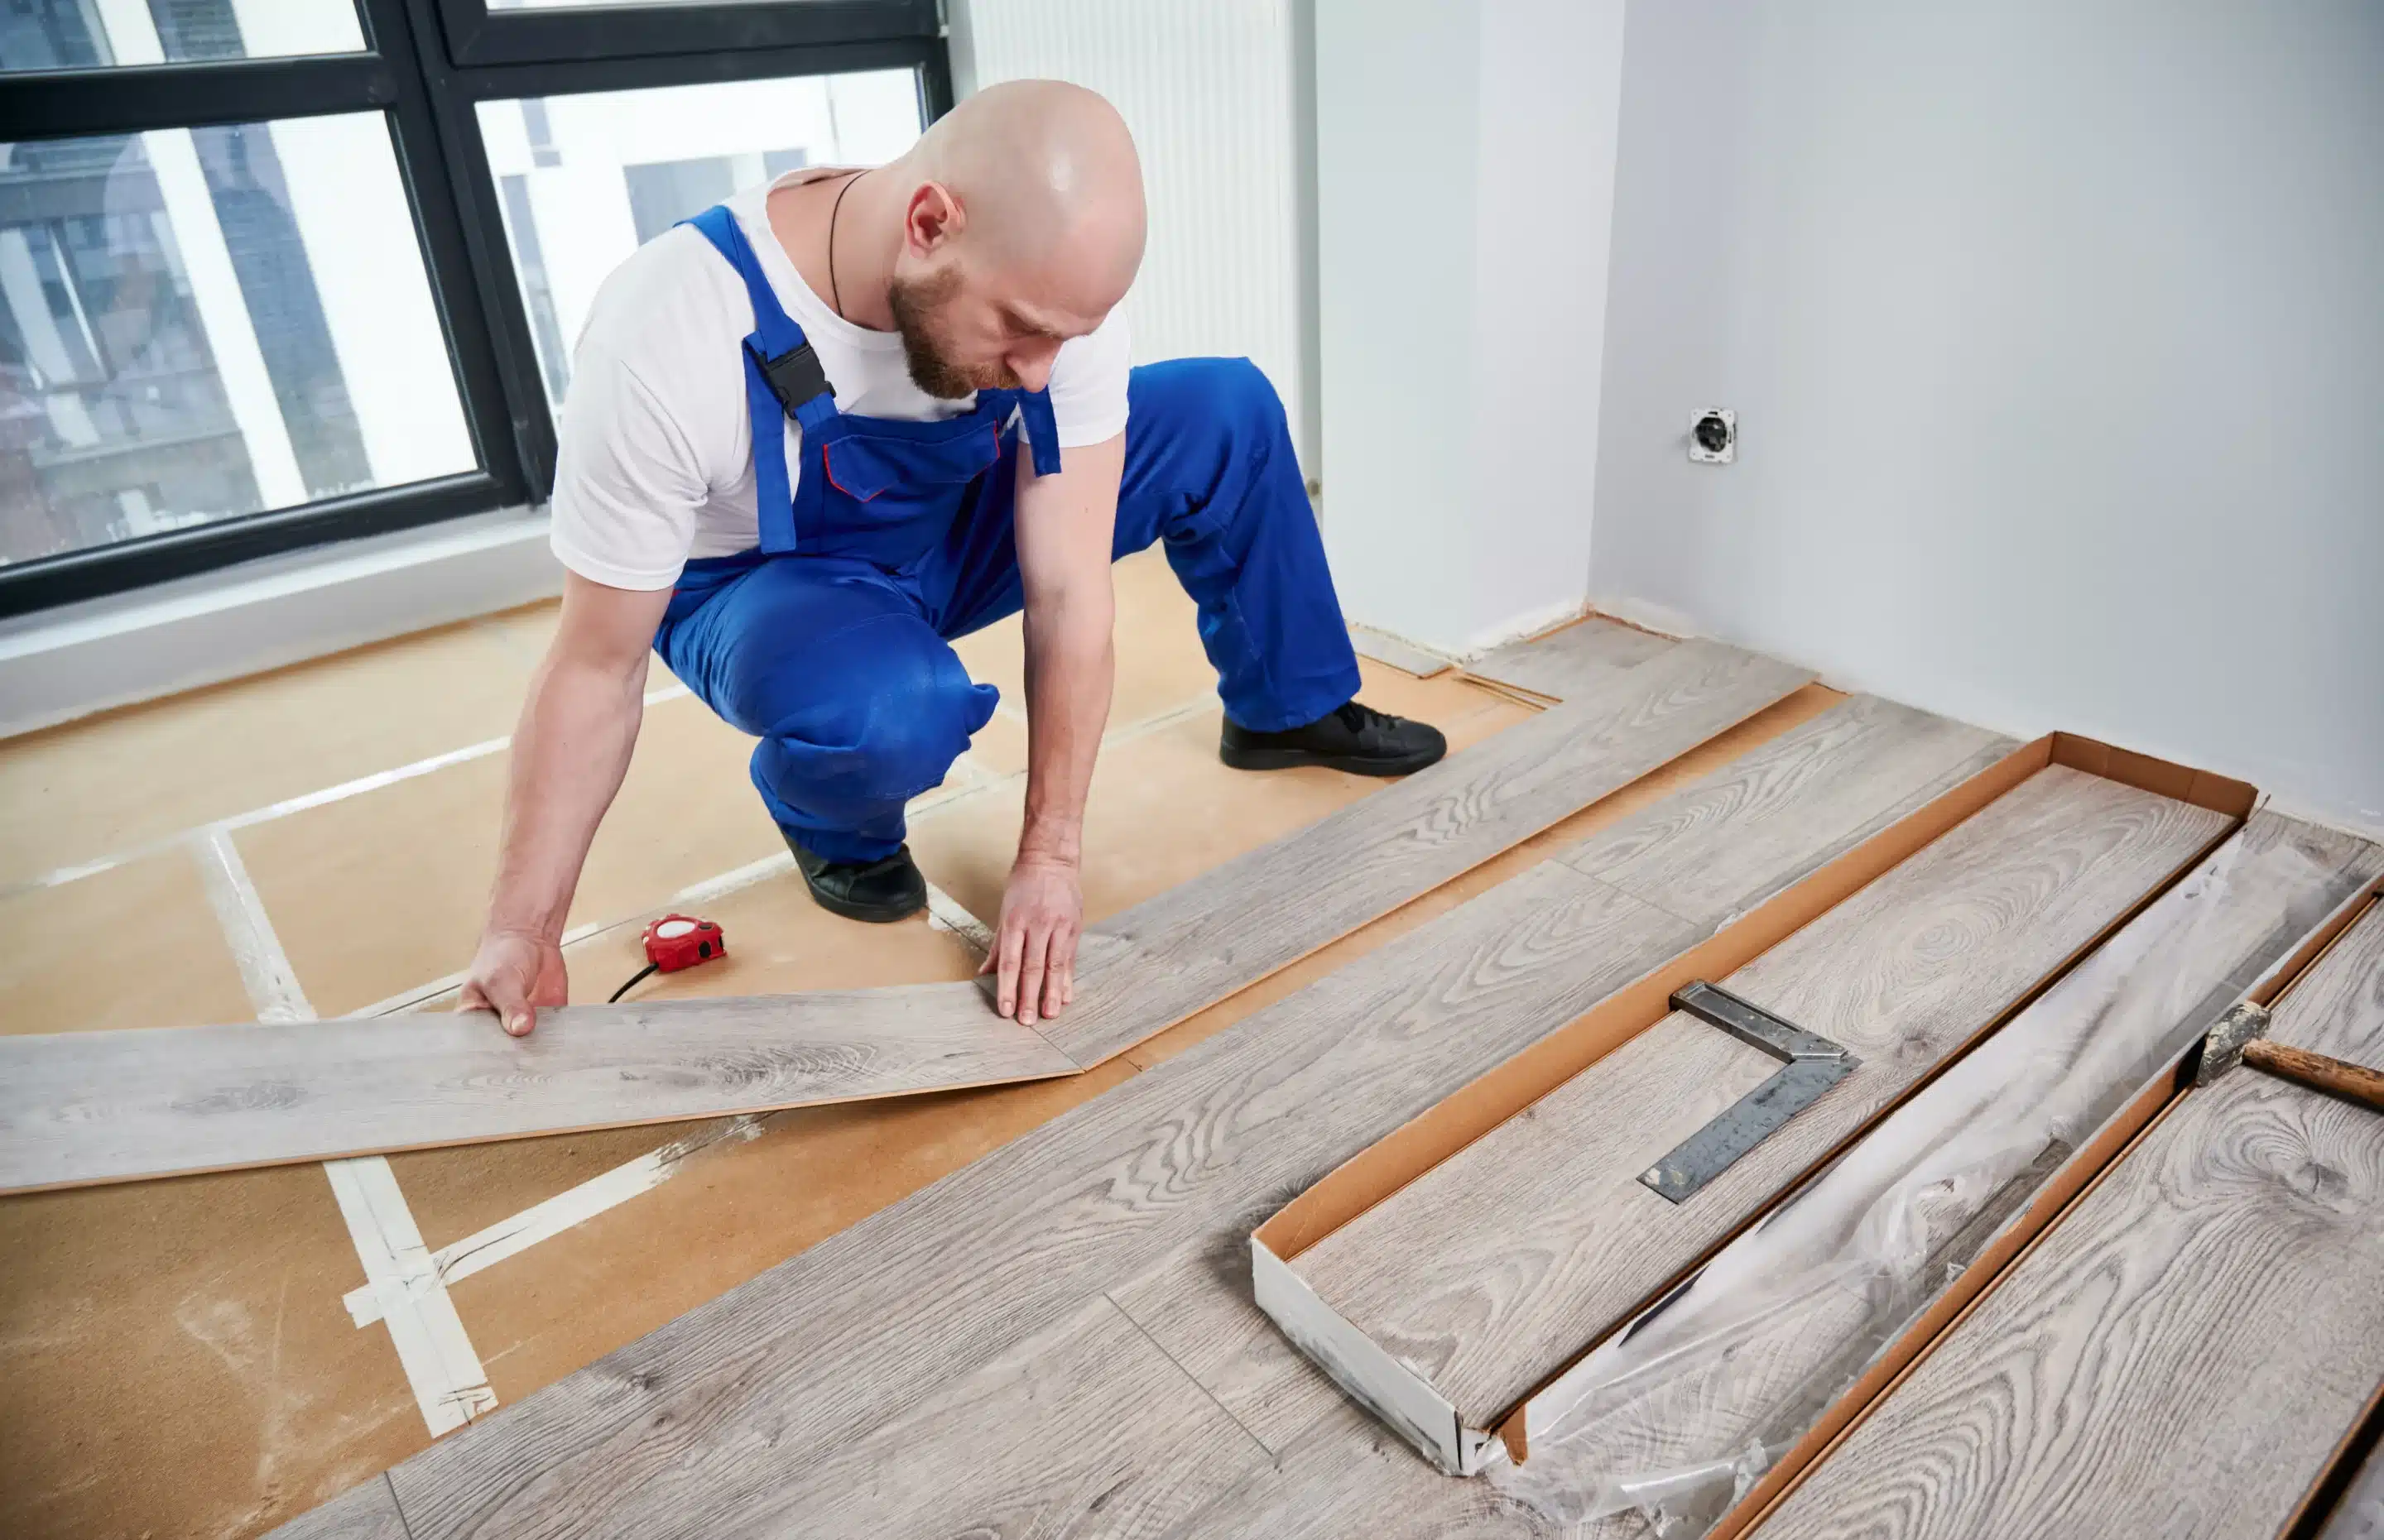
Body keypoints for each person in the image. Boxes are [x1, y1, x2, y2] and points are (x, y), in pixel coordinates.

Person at [459, 79, 1445, 1039]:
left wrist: (1051, 853)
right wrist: (523, 926)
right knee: (896, 707)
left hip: (946, 527)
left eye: (1067, 338)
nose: (1042, 369)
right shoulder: (668, 329)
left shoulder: (1047, 298)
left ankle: (1286, 704)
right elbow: (596, 663)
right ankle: (836, 823)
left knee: (1224, 409)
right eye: (1020, 330)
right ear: (929, 222)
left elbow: (1065, 587)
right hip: (763, 586)